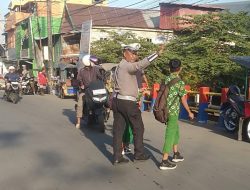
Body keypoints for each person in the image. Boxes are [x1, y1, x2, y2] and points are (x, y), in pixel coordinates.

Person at [112, 43, 164, 165]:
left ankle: (117, 156)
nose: (135, 55)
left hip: (118, 101)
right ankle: (139, 154)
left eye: (135, 53)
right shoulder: (127, 66)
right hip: (128, 102)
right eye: (132, 53)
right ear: (125, 53)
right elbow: (140, 65)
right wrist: (156, 54)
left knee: (118, 129)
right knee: (138, 127)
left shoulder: (119, 66)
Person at [159, 59, 194, 170]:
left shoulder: (166, 79)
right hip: (172, 112)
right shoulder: (179, 82)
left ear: (170, 68)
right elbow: (183, 99)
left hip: (165, 110)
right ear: (180, 69)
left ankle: (176, 154)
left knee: (175, 132)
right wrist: (189, 112)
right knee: (170, 134)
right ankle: (164, 161)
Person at [75, 54, 103, 129]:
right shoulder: (81, 71)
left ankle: (106, 111)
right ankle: (78, 122)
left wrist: (103, 81)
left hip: (95, 90)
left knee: (103, 100)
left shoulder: (95, 69)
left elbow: (100, 77)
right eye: (91, 61)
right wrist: (81, 85)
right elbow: (79, 80)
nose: (93, 62)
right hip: (85, 91)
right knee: (80, 104)